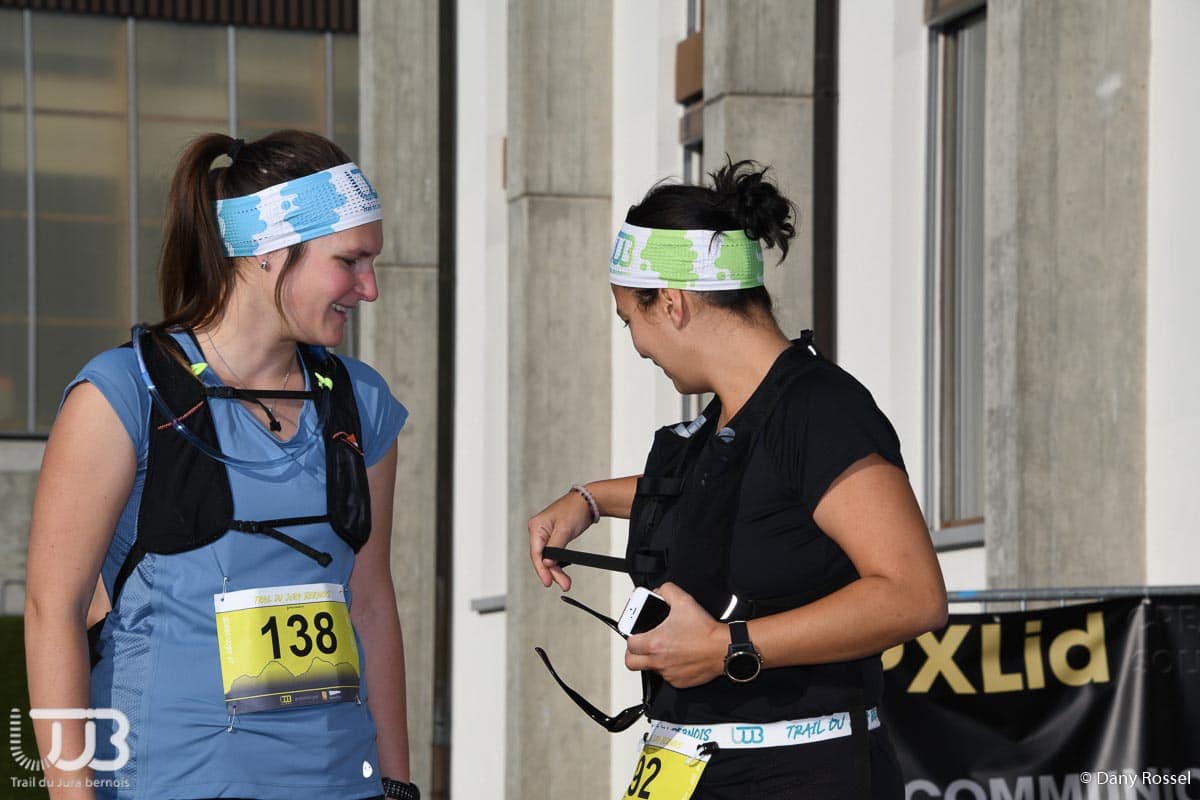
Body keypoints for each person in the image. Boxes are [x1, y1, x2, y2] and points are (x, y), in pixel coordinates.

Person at [528, 160, 948, 799]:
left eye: (630, 320)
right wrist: (589, 499)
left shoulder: (821, 409)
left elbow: (913, 595)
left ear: (672, 304)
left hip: (801, 775)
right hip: (687, 763)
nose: (638, 346)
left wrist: (727, 646)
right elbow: (736, 498)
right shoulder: (724, 421)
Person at [25, 131, 419, 800]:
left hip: (337, 783)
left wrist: (398, 783)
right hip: (167, 780)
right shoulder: (122, 394)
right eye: (350, 261)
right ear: (269, 252)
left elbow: (373, 603)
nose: (370, 288)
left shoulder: (362, 402)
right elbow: (51, 611)